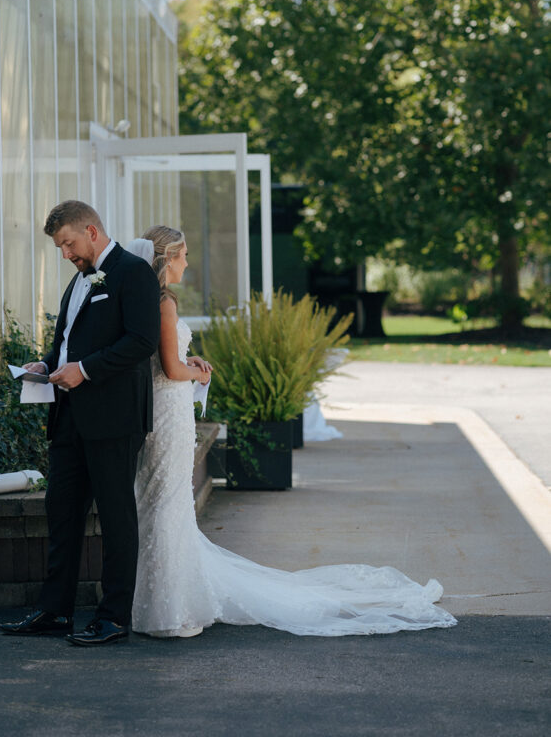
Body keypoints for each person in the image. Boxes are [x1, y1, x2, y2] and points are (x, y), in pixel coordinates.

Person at [128, 227, 457, 639]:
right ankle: (168, 608)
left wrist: (184, 357)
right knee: (166, 504)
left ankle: (156, 604)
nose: (188, 263)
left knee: (160, 502)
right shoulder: (164, 304)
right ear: (167, 258)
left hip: (162, 411)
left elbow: (161, 358)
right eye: (185, 255)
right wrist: (194, 368)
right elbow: (173, 371)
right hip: (170, 413)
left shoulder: (145, 299)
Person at [0, 200, 160, 646]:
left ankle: (113, 618)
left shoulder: (133, 272)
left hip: (114, 418)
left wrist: (84, 370)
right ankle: (55, 611)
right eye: (60, 247)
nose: (65, 254)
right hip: (67, 416)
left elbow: (142, 341)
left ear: (91, 230)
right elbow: (67, 343)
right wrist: (45, 363)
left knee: (115, 516)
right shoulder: (78, 281)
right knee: (62, 512)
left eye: (68, 243)